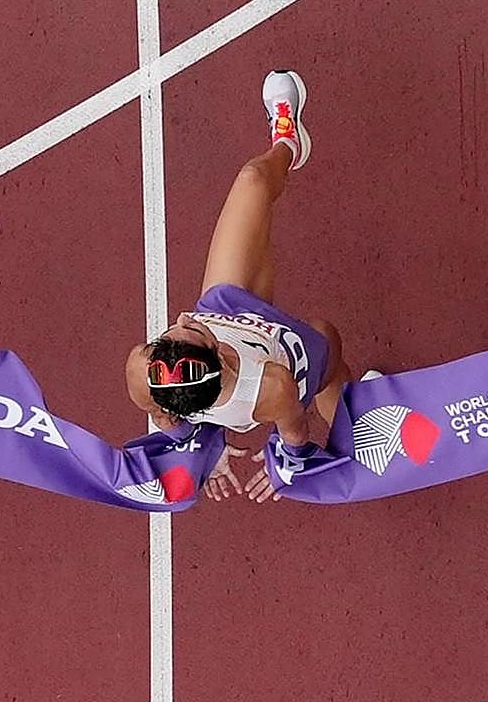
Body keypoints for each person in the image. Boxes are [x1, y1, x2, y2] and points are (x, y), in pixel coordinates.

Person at [124, 71, 353, 504]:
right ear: (219, 354)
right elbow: (294, 429)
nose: (183, 317)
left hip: (227, 306)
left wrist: (200, 451)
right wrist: (289, 464)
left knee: (252, 180)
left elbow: (164, 417)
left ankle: (289, 143)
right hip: (284, 352)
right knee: (329, 348)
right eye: (192, 329)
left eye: (166, 335)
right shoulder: (270, 388)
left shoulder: (143, 370)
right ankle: (360, 423)